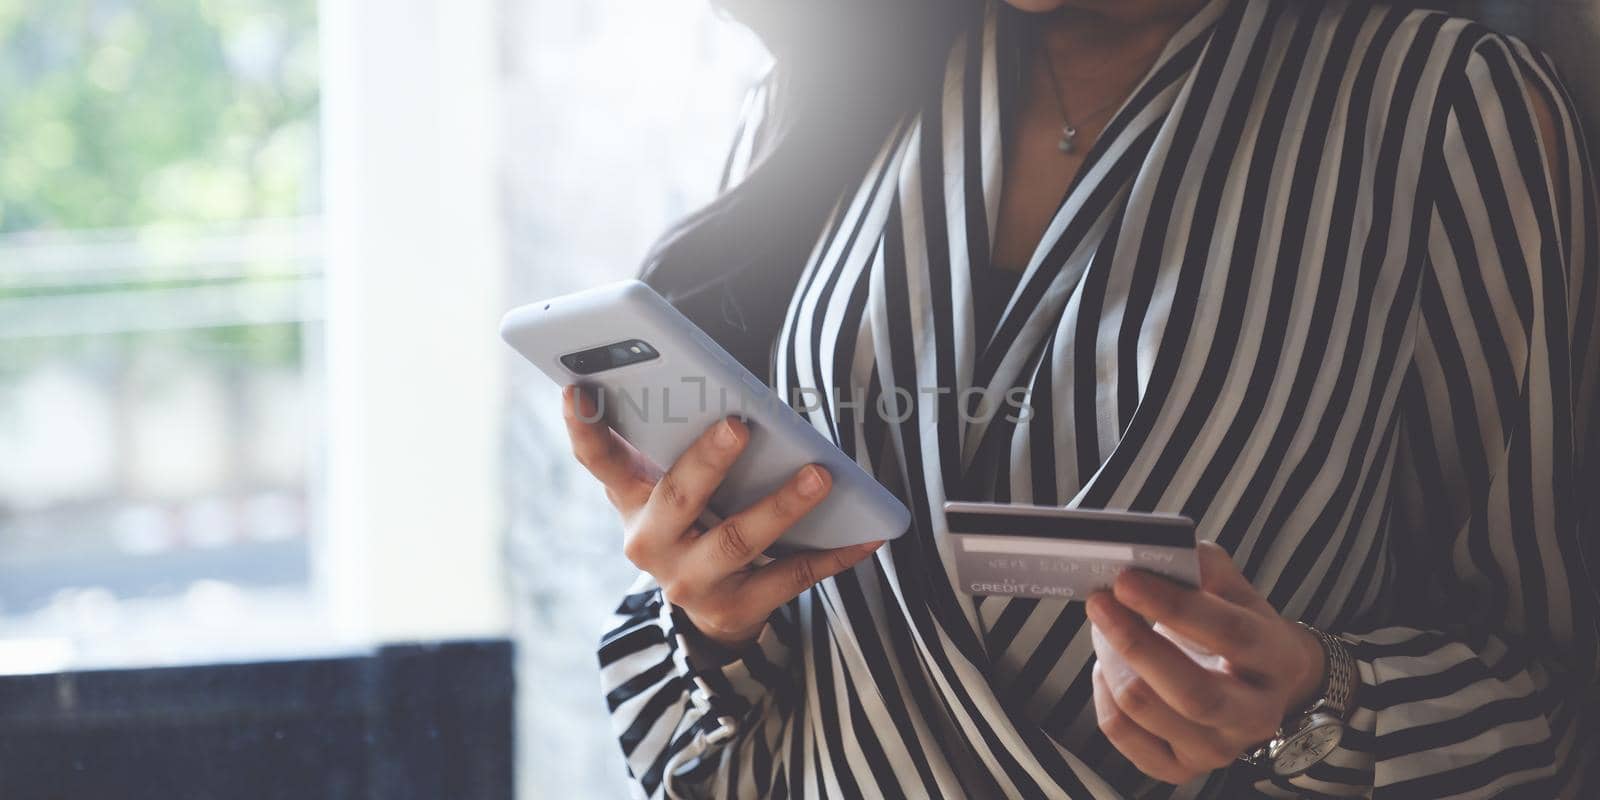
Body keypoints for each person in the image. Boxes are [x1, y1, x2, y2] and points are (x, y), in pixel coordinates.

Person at [574, 0, 1600, 796]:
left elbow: (1541, 697)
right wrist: (705, 621)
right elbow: (690, 697)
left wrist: (1308, 701)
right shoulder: (822, 99)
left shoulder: (1444, 110)